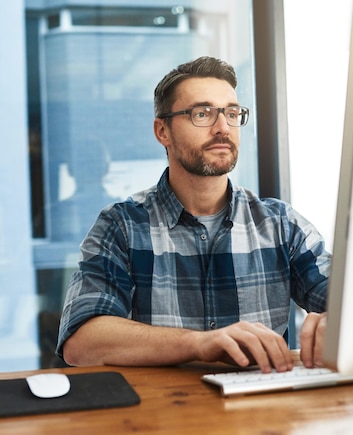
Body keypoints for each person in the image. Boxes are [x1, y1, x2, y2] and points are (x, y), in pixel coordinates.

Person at [56, 56, 330, 373]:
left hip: (263, 414)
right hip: (163, 416)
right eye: (202, 114)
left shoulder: (281, 224)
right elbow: (81, 342)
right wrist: (200, 343)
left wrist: (337, 319)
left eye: (231, 113)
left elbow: (350, 303)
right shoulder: (123, 226)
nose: (222, 128)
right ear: (163, 131)